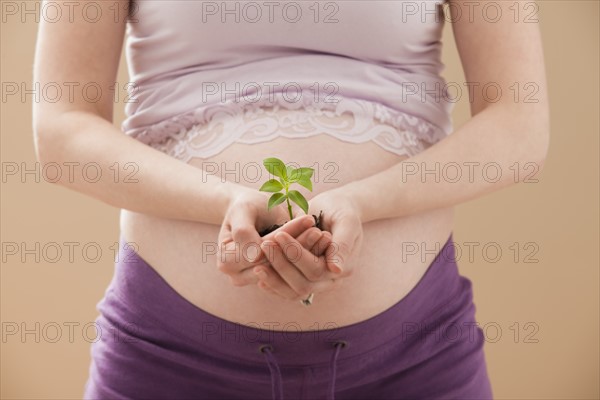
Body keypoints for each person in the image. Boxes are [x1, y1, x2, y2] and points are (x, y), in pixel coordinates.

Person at [32, 0, 549, 398]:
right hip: (170, 357)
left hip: (412, 361)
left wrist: (362, 202)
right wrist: (225, 201)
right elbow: (62, 130)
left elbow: (518, 123)